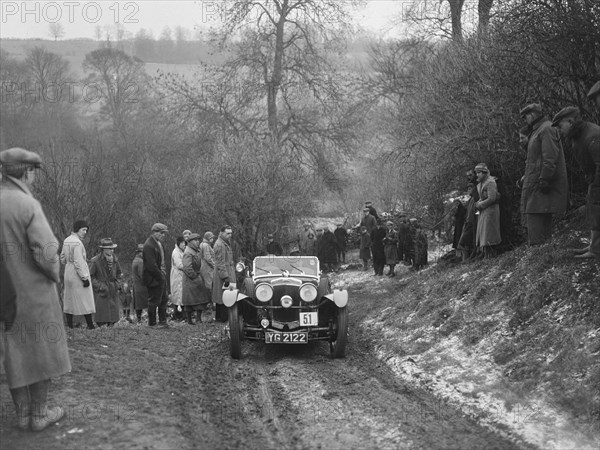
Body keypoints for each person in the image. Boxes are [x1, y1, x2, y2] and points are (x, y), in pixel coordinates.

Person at [0, 147, 71, 431]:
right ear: (26, 172)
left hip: (4, 297)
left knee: (14, 351)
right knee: (40, 350)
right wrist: (55, 275)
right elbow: (47, 253)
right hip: (33, 294)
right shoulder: (27, 205)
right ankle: (40, 414)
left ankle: (22, 415)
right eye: (33, 173)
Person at [552, 106, 600, 259]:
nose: (559, 130)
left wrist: (596, 186)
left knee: (596, 208)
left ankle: (596, 249)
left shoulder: (592, 135)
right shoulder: (578, 135)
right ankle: (595, 245)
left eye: (560, 126)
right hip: (595, 178)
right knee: (594, 209)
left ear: (570, 122)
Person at [519, 103, 568, 245]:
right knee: (534, 216)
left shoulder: (546, 128)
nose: (525, 120)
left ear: (533, 114)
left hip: (540, 183)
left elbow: (550, 157)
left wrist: (545, 179)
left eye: (526, 116)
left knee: (537, 217)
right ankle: (541, 254)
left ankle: (541, 256)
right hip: (535, 182)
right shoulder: (537, 130)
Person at [60, 220, 95, 330]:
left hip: (68, 271)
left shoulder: (66, 240)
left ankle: (69, 325)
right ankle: (90, 325)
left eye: (86, 230)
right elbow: (78, 262)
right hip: (77, 273)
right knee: (85, 298)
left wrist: (68, 263)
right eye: (83, 229)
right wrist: (84, 278)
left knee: (69, 298)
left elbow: (62, 258)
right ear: (77, 229)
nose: (85, 232)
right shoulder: (78, 243)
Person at [89, 238, 123, 327]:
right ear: (103, 249)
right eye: (109, 248)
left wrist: (118, 284)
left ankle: (111, 323)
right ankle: (101, 324)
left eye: (112, 248)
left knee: (113, 312)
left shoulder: (115, 259)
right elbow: (91, 276)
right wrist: (100, 286)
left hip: (113, 288)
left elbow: (119, 273)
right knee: (102, 310)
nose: (111, 250)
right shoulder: (95, 261)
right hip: (102, 289)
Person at [143, 223, 170, 327]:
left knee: (164, 299)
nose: (163, 235)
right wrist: (160, 277)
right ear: (155, 232)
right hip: (153, 278)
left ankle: (162, 321)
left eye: (164, 233)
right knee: (154, 300)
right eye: (161, 233)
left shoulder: (158, 243)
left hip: (160, 275)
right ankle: (152, 323)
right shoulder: (149, 245)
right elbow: (151, 265)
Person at [474, 163, 502, 258]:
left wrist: (480, 205)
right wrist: (478, 202)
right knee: (484, 233)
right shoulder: (481, 183)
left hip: (491, 211)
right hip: (484, 211)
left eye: (479, 173)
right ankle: (486, 255)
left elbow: (492, 198)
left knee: (490, 233)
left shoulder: (490, 182)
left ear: (484, 173)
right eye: (476, 173)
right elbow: (483, 197)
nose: (477, 175)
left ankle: (492, 255)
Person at [182, 233, 210, 324]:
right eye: (195, 240)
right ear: (189, 242)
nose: (197, 242)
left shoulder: (196, 251)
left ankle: (198, 318)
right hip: (190, 279)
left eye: (198, 240)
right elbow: (186, 267)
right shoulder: (188, 252)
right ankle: (189, 320)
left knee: (201, 298)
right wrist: (194, 276)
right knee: (189, 300)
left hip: (197, 276)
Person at [212, 225, 236, 322]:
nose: (229, 235)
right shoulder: (220, 245)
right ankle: (223, 318)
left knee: (223, 296)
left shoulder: (225, 243)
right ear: (222, 233)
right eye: (227, 233)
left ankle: (220, 317)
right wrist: (225, 277)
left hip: (227, 271)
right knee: (224, 297)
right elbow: (220, 263)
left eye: (231, 233)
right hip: (223, 274)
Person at [457, 169, 481, 261]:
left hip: (472, 222)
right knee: (464, 244)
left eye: (470, 188)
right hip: (468, 222)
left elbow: (476, 209)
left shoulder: (475, 197)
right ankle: (465, 260)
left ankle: (466, 260)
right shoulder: (470, 200)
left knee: (463, 243)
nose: (468, 190)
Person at [131, 244, 149, 323]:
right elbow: (143, 275)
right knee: (145, 304)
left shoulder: (135, 260)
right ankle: (144, 320)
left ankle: (139, 320)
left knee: (138, 305)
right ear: (140, 253)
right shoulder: (140, 262)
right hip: (142, 287)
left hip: (137, 286)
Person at [169, 236, 186, 321]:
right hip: (177, 275)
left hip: (181, 275)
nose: (184, 245)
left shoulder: (181, 251)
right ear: (179, 243)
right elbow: (179, 265)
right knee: (178, 295)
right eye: (182, 243)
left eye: (184, 243)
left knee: (181, 295)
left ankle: (181, 314)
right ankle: (178, 315)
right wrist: (188, 268)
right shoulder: (176, 252)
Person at [199, 232, 216, 311]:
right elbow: (208, 258)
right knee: (209, 286)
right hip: (207, 268)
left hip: (204, 267)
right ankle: (210, 303)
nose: (213, 239)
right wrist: (214, 265)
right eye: (211, 238)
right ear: (208, 238)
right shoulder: (206, 246)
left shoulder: (203, 244)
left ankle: (208, 303)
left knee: (207, 285)